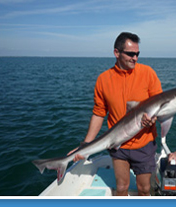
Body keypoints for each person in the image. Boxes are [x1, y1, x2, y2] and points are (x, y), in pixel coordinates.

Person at [68, 32, 162, 196]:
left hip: (144, 143)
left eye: (137, 54)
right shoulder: (103, 79)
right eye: (130, 54)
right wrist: (86, 145)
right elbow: (99, 113)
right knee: (121, 187)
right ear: (116, 53)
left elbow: (160, 105)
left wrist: (153, 119)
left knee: (144, 188)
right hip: (118, 144)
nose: (135, 58)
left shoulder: (148, 73)